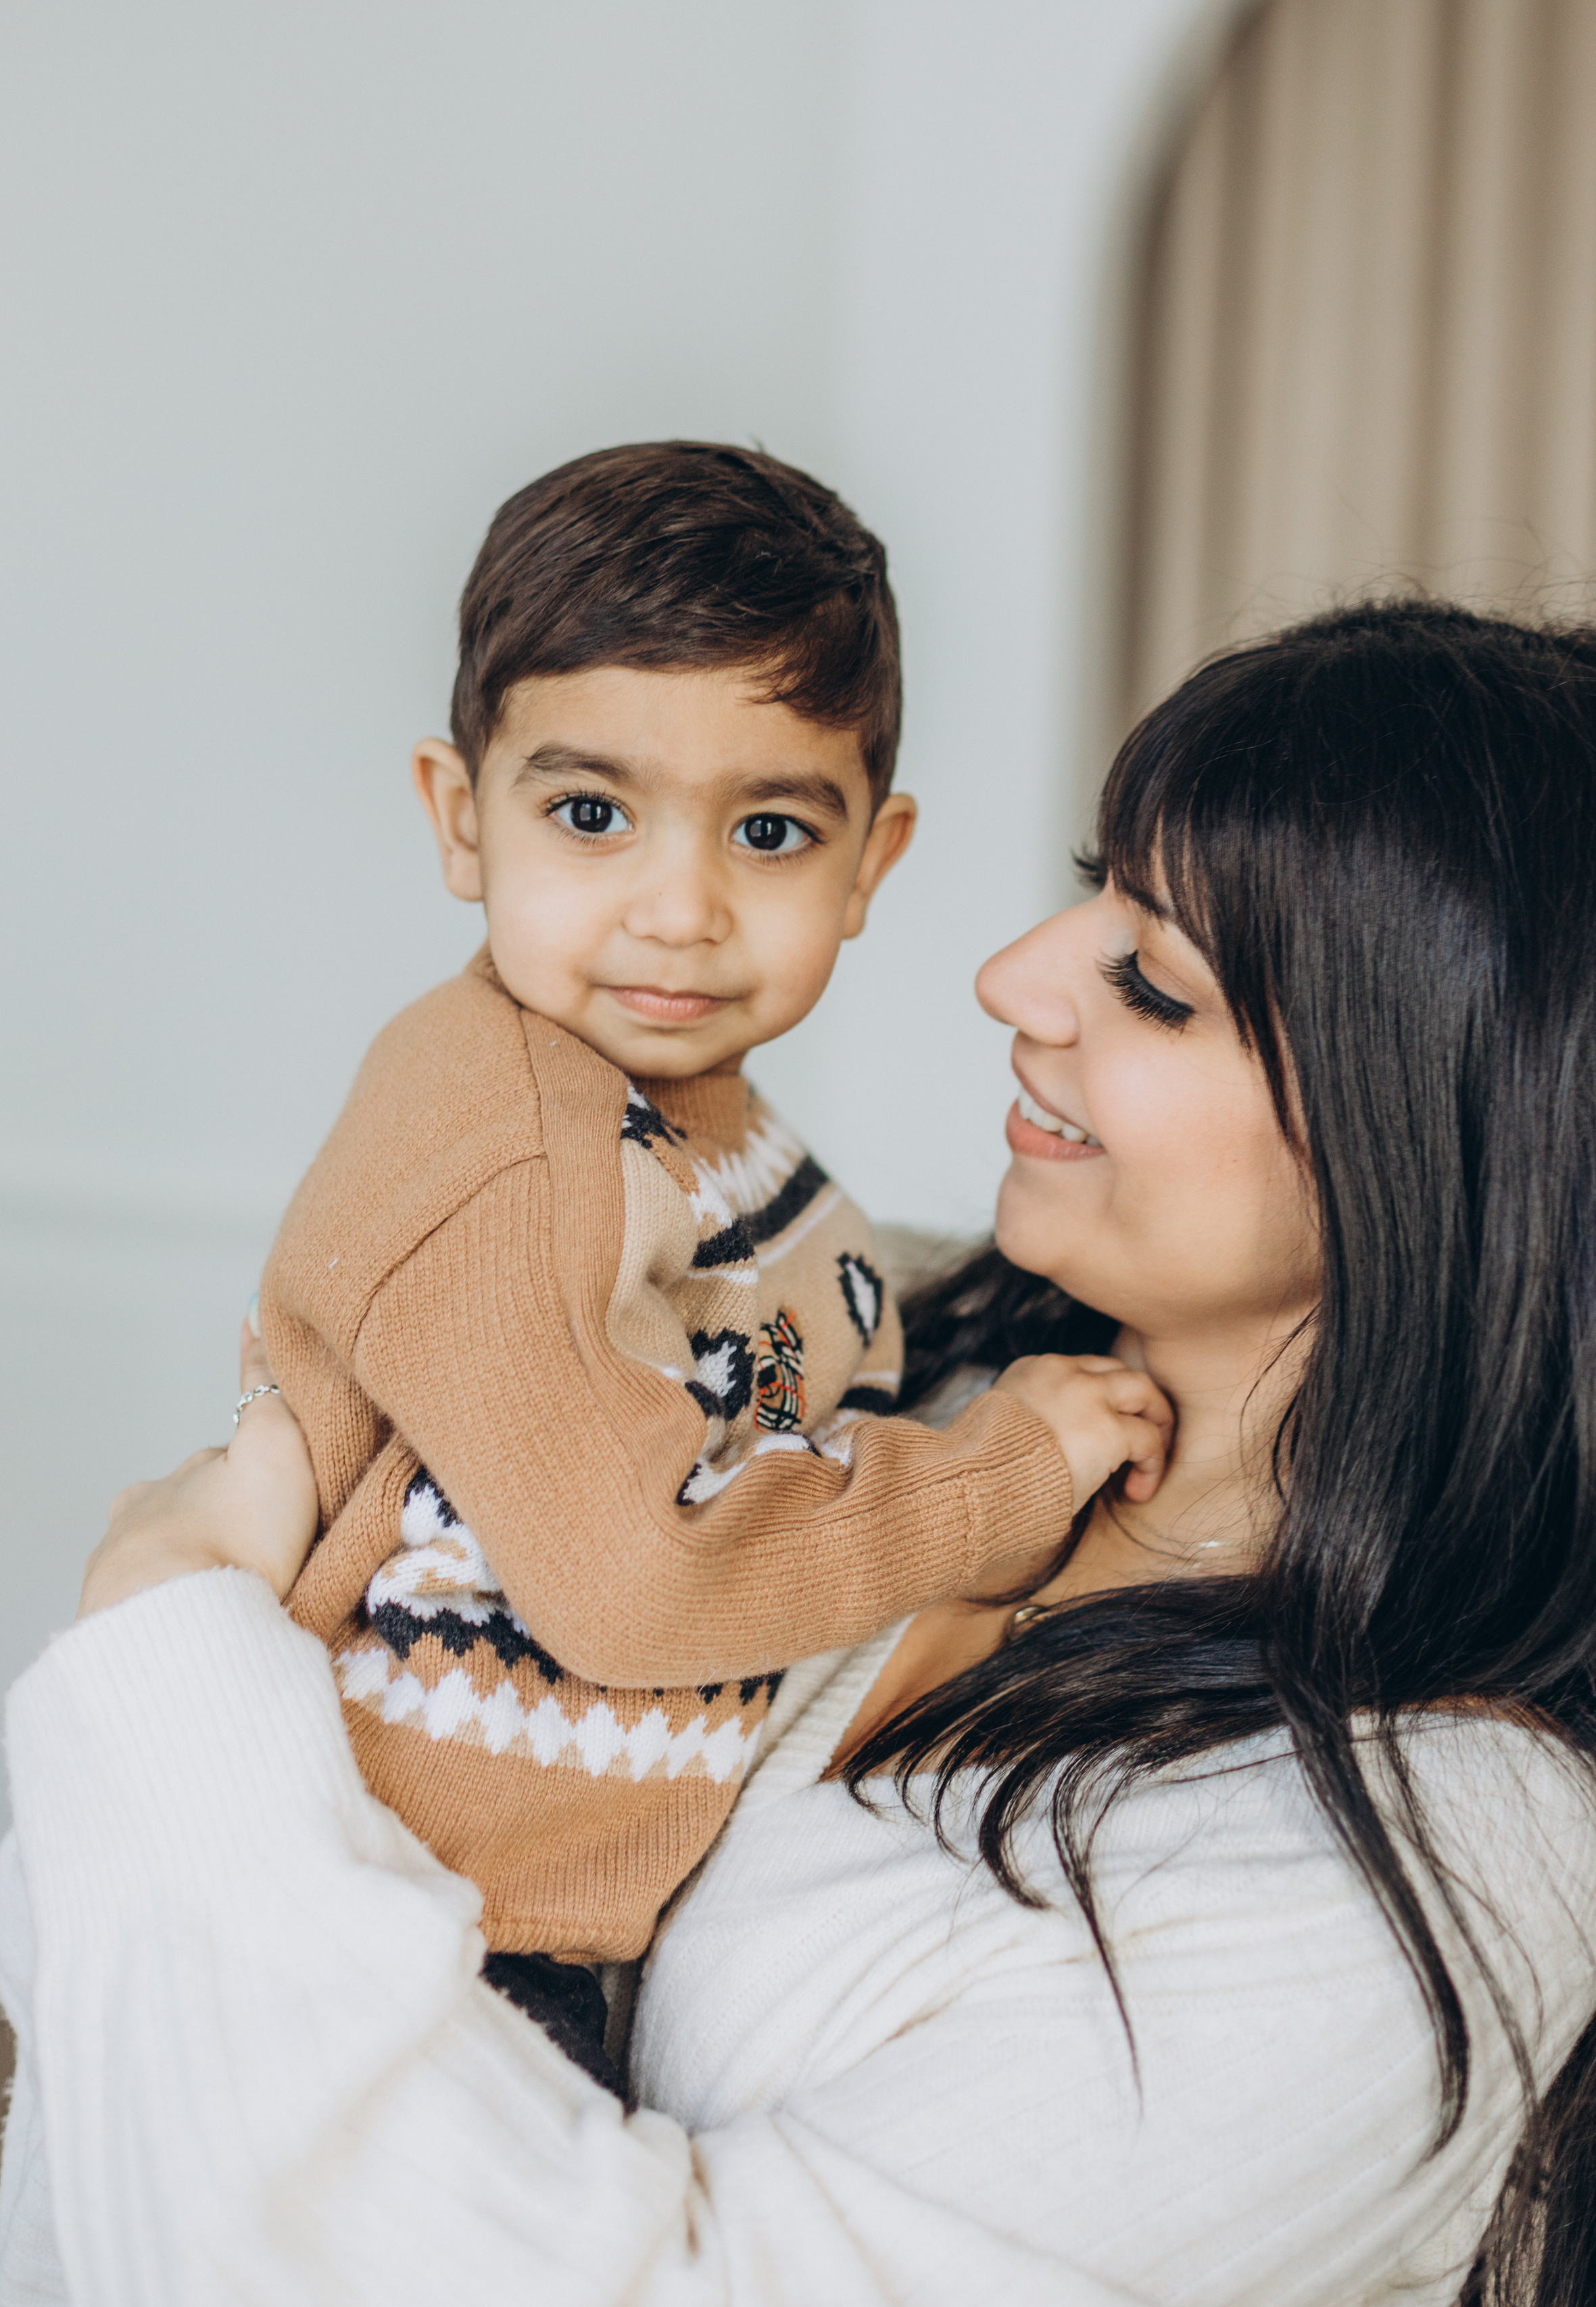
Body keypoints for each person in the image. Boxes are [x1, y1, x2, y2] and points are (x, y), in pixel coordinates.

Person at [8, 598, 1596, 2304]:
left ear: (1447, 1142)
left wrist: (168, 1637)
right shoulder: (869, 1331)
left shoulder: (1440, 1840)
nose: (1012, 979)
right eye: (1088, 892)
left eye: (1150, 980)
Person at [254, 440, 1161, 2077]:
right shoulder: (513, 1143)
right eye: (589, 814)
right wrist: (1002, 1475)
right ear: (462, 820)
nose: (678, 909)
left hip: (524, 1908)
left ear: (868, 864)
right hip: (395, 1932)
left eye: (765, 833)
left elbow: (798, 1363)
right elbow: (639, 1576)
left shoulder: (684, 1113)